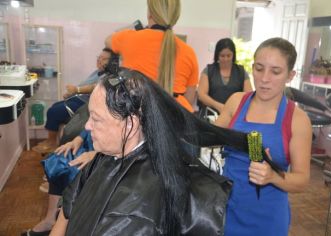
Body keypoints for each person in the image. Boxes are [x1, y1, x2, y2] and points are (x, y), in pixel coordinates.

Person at [49, 69, 232, 235]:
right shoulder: (101, 160)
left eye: (96, 119)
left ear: (131, 124)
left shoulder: (142, 209)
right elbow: (66, 215)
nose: (87, 126)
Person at [215, 37, 312, 236]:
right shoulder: (236, 102)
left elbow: (302, 180)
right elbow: (211, 136)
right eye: (259, 69)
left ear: (290, 75)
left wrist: (272, 176)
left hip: (267, 219)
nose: (264, 78)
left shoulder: (298, 120)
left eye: (275, 71)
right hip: (227, 210)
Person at [105, 0, 199, 112]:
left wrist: (135, 29)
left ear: (150, 13)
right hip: (178, 119)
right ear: (175, 16)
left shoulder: (129, 38)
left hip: (137, 114)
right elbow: (189, 99)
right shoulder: (189, 52)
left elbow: (108, 40)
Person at [32, 48, 117, 154]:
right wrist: (72, 93)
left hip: (85, 105)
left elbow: (96, 87)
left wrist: (76, 90)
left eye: (103, 59)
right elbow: (84, 85)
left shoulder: (110, 76)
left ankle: (52, 143)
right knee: (54, 107)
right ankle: (51, 140)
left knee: (54, 112)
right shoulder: (97, 72)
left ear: (112, 62)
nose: (99, 60)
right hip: (78, 98)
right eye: (99, 57)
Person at [22, 130, 96, 236]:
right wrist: (77, 139)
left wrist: (96, 154)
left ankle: (65, 222)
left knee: (70, 168)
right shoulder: (91, 122)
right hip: (92, 144)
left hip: (108, 154)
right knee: (59, 159)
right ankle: (51, 219)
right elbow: (88, 126)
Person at [198, 38, 252, 114]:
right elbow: (201, 95)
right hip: (211, 114)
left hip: (234, 114)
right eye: (222, 56)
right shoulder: (208, 70)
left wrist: (230, 109)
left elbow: (248, 96)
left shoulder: (241, 72)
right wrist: (218, 106)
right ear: (217, 55)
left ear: (233, 55)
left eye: (228, 56)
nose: (225, 59)